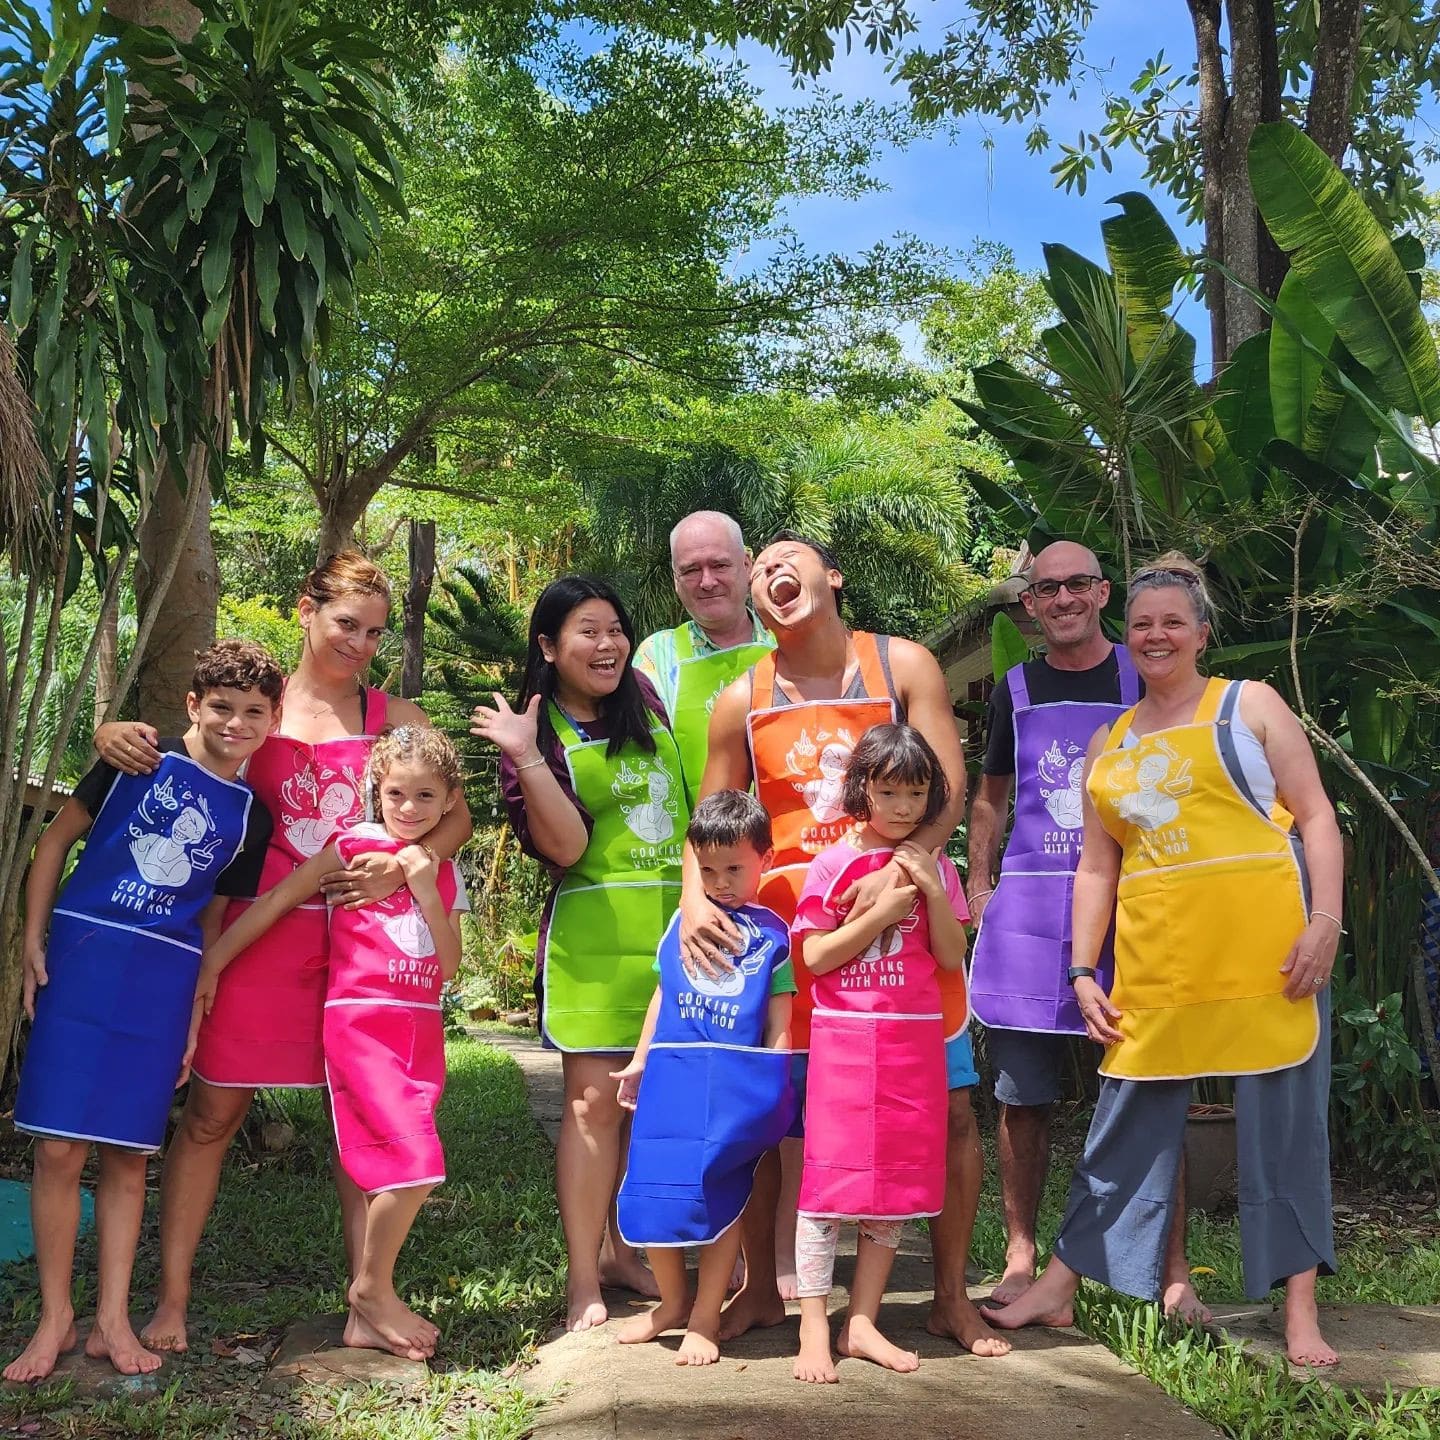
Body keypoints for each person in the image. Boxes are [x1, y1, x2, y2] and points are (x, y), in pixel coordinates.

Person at [94, 552, 473, 1355]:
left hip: (359, 952)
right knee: (212, 1115)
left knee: (361, 1126)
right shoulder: (259, 711)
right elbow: (182, 759)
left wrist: (414, 860)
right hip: (257, 936)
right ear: (307, 611)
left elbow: (455, 816)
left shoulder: (393, 712)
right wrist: (110, 733)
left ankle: (369, 1299)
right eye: (346, 624)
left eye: (375, 632)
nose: (360, 645)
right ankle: (172, 1300)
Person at [991, 553, 1343, 1369]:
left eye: (1172, 622)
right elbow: (1097, 869)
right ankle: (1061, 1282)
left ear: (1201, 633)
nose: (1156, 636)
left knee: (1284, 1129)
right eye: (1144, 624)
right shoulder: (1114, 740)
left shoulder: (1248, 706)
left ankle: (1298, 1309)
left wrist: (1324, 921)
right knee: (1124, 1123)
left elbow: (1317, 817)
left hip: (1271, 960)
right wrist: (1083, 971)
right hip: (1159, 966)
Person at [683, 532, 1009, 1357]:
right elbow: (708, 821)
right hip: (793, 943)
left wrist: (902, 872)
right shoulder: (739, 697)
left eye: (784, 560)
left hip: (907, 924)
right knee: (769, 1118)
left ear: (832, 574)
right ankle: (763, 1291)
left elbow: (949, 782)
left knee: (952, 1110)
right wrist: (694, 907)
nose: (769, 575)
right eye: (758, 571)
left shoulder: (903, 666)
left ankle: (947, 1298)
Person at [5, 641, 281, 1383]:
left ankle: (112, 1319)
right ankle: (55, 1316)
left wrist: (197, 1006)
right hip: (84, 955)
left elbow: (214, 919)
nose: (236, 722)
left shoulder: (253, 815)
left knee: (130, 1154)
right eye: (222, 706)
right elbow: (56, 841)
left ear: (272, 720)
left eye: (254, 712)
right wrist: (33, 940)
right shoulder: (137, 755)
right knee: (60, 1148)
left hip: (164, 981)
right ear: (193, 705)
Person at [967, 540, 1201, 1317]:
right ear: (1029, 604)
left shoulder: (1147, 676)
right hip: (1032, 917)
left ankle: (1173, 1273)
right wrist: (977, 882)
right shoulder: (1014, 686)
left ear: (1102, 592)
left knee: (1152, 1089)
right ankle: (1022, 1257)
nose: (1062, 598)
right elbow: (990, 797)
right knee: (1020, 1093)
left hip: (1135, 912)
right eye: (1045, 589)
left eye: (1076, 585)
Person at [192, 726, 467, 1361]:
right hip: (361, 1026)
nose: (408, 808)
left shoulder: (442, 872)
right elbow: (272, 904)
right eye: (396, 793)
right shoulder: (349, 847)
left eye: (426, 796)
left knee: (397, 1165)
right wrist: (213, 964)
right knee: (419, 1164)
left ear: (450, 799)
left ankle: (367, 1314)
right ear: (377, 789)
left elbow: (448, 965)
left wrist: (423, 885)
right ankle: (370, 1291)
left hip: (420, 1029)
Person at [472, 575, 688, 1332]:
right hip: (594, 946)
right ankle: (581, 1277)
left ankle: (624, 1253)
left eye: (615, 629)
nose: (607, 644)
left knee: (649, 1104)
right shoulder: (531, 732)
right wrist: (528, 757)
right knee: (594, 1107)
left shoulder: (649, 705)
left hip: (678, 936)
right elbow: (567, 846)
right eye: (587, 631)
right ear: (548, 647)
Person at [790, 725, 972, 1384]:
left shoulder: (937, 864)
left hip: (912, 1045)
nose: (901, 806)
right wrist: (882, 911)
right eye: (888, 790)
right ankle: (814, 1323)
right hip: (843, 1041)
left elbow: (950, 954)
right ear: (861, 789)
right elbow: (813, 957)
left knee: (890, 1193)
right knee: (827, 1188)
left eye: (915, 792)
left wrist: (925, 887)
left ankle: (861, 1320)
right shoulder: (833, 862)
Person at [611, 790, 795, 1366]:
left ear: (765, 857)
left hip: (733, 1086)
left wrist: (774, 1083)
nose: (720, 882)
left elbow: (779, 1020)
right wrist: (641, 1059)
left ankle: (705, 1315)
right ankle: (671, 1302)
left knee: (725, 1199)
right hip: (671, 1079)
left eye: (734, 868)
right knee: (655, 1192)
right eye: (708, 869)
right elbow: (663, 992)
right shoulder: (683, 921)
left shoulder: (775, 936)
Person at [634, 511, 773, 807]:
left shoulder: (787, 639)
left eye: (720, 565)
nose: (707, 582)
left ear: (747, 566)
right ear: (675, 580)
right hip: (702, 842)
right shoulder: (656, 656)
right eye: (691, 570)